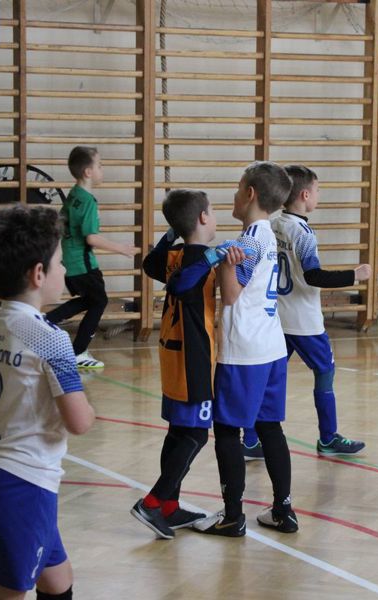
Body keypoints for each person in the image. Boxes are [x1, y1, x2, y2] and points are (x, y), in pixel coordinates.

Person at [0, 205, 96, 600]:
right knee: (7, 590)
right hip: (24, 482)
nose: (64, 270)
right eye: (59, 263)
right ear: (38, 274)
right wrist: (85, 401)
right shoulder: (50, 338)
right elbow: (79, 422)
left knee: (57, 578)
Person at [190, 161, 298, 537]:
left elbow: (232, 294)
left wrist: (223, 265)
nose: (234, 195)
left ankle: (233, 515)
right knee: (271, 428)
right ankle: (283, 509)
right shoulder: (268, 235)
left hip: (245, 351)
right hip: (272, 345)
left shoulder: (247, 241)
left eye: (238, 188)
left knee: (226, 431)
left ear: (250, 194)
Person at [129, 189, 243, 539]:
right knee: (195, 434)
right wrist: (212, 257)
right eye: (213, 211)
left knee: (178, 431)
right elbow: (180, 285)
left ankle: (170, 506)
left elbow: (150, 264)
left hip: (173, 353)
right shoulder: (197, 259)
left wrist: (170, 233)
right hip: (193, 357)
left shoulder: (176, 253)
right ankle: (152, 502)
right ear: (203, 218)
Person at [238, 165, 367, 460]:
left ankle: (251, 440)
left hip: (277, 318)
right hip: (305, 323)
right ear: (305, 195)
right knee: (325, 372)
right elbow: (314, 276)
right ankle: (328, 437)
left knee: (267, 379)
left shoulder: (272, 225)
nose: (319, 195)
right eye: (318, 190)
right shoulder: (303, 233)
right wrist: (354, 275)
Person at [45, 146, 139, 369]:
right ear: (88, 172)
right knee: (99, 301)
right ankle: (78, 352)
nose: (102, 169)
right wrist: (121, 248)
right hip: (82, 264)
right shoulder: (87, 201)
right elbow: (91, 238)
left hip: (70, 261)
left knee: (91, 300)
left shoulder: (74, 195)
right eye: (100, 165)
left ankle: (46, 321)